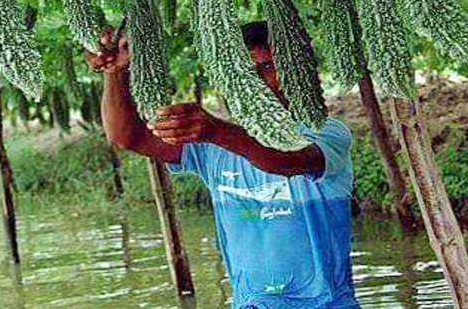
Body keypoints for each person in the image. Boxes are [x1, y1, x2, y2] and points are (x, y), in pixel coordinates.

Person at [86, 21, 359, 309]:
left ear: (294, 71)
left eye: (268, 67)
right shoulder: (213, 145)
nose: (258, 83)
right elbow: (124, 135)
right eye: (246, 74)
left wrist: (216, 131)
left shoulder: (326, 132)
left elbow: (286, 161)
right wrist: (114, 72)